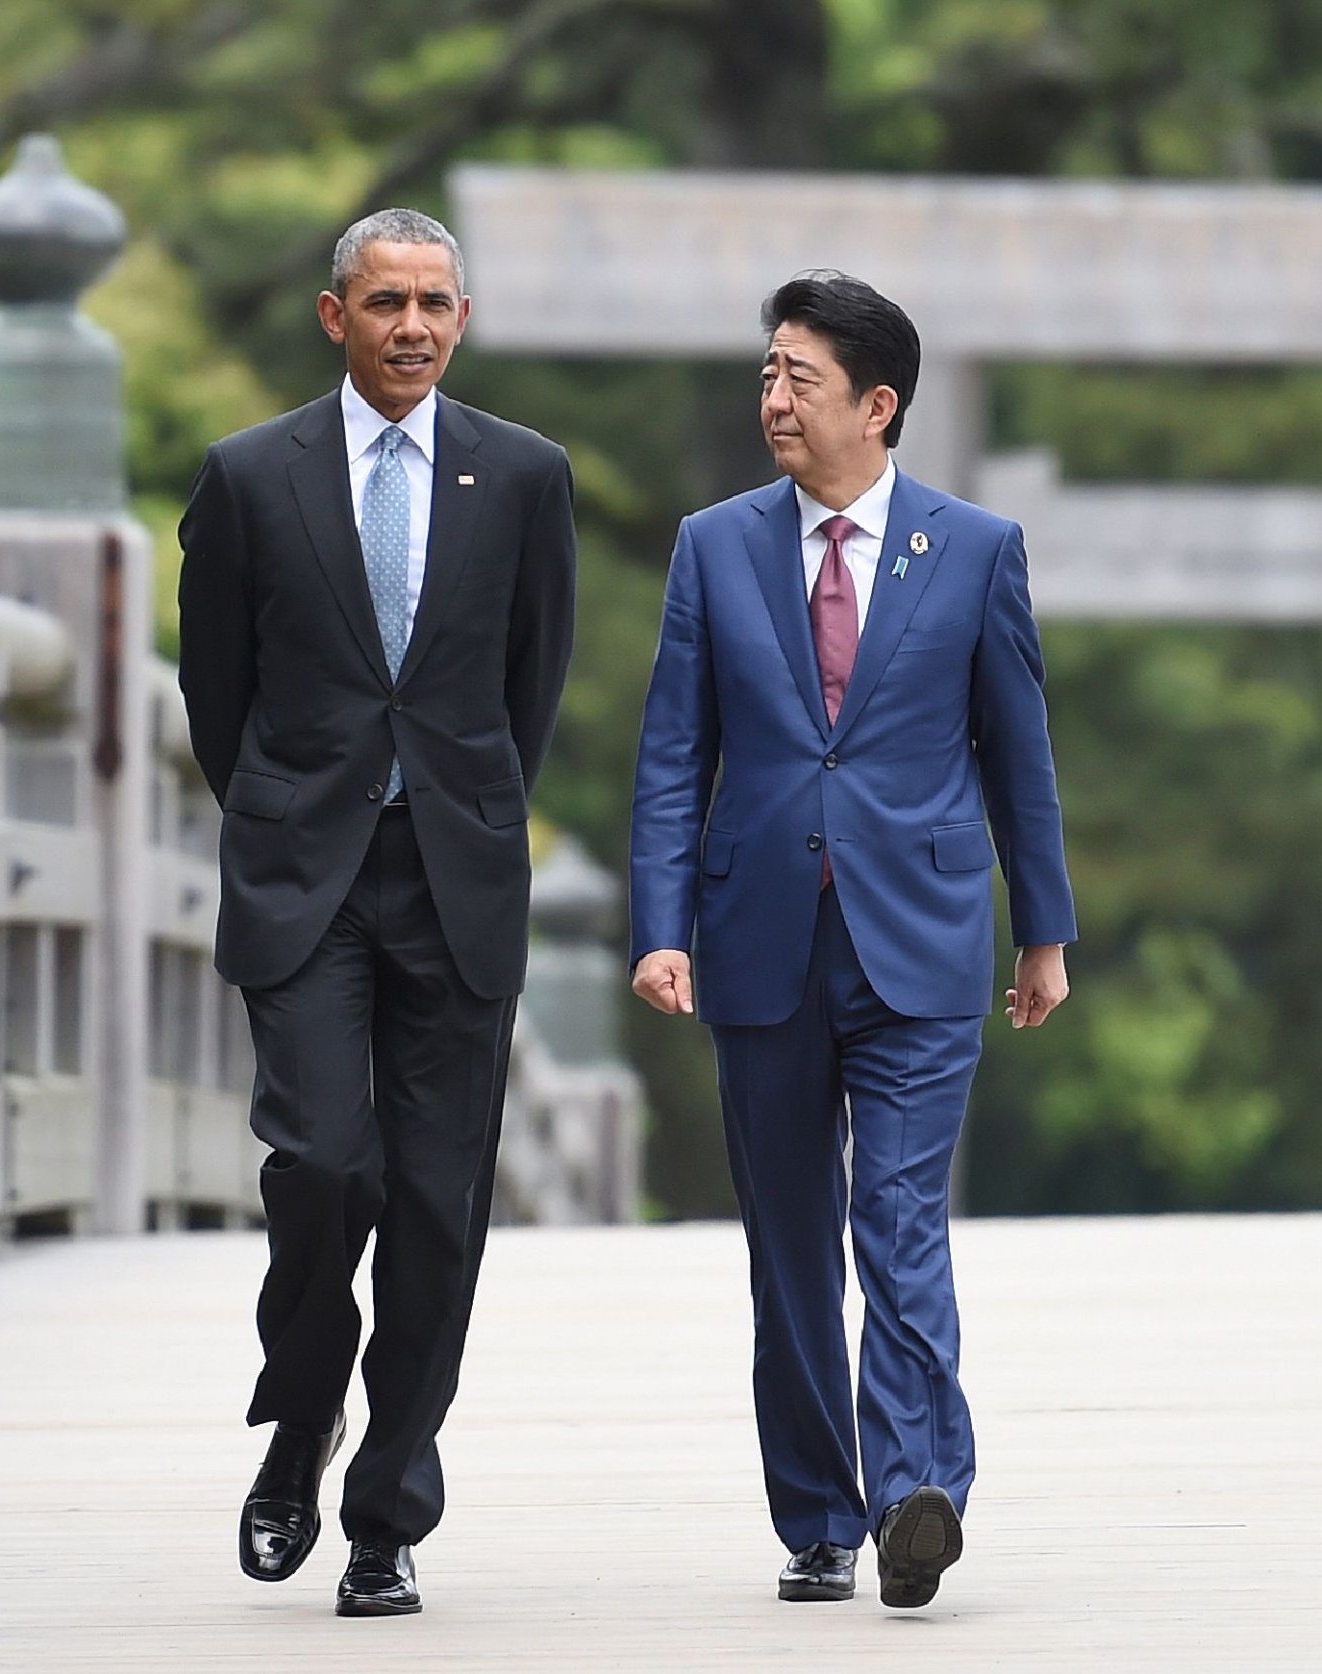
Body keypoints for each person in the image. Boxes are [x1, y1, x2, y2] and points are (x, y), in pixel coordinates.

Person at [628, 270, 1075, 1609]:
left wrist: (1043, 928)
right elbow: (671, 753)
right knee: (791, 1240)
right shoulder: (714, 546)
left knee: (897, 1218)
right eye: (766, 373)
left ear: (877, 406)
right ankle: (818, 1512)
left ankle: (913, 1491)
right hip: (758, 935)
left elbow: (1020, 752)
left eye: (798, 378)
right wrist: (661, 927)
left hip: (923, 939)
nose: (772, 397)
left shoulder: (976, 550)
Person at [177, 207, 577, 1618]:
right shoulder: (247, 476)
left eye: (437, 302)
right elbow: (215, 698)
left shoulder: (524, 476)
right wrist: (303, 808)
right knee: (324, 1163)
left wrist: (455, 809)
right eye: (387, 300)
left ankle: (385, 1514)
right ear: (334, 314)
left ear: (461, 319)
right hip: (308, 880)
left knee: (436, 1208)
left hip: (455, 877)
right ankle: (301, 1409)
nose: (413, 325)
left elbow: (529, 687)